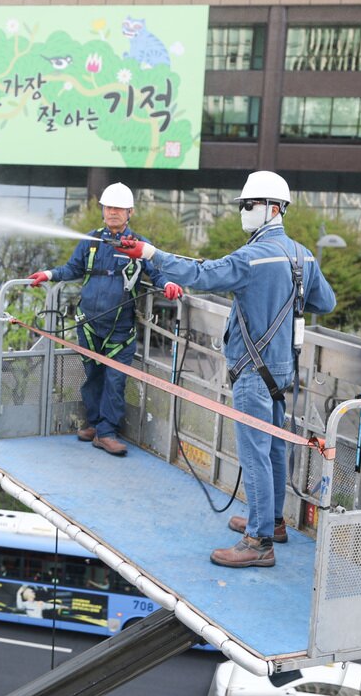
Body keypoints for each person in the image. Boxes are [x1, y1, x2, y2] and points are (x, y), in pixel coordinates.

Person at [117, 171, 335, 568]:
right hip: (282, 370)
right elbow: (326, 302)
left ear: (273, 209)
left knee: (254, 453)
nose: (243, 214)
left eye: (248, 206)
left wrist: (151, 255)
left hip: (253, 371)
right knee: (273, 446)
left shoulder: (251, 259)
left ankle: (258, 543)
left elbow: (201, 275)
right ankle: (273, 522)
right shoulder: (303, 255)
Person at [29, 182, 182, 456]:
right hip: (89, 324)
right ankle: (94, 424)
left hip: (120, 329)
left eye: (119, 208)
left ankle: (107, 432)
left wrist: (168, 284)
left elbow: (157, 274)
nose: (113, 212)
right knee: (92, 377)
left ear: (130, 212)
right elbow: (71, 269)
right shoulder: (91, 242)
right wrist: (48, 275)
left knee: (115, 380)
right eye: (109, 207)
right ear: (103, 210)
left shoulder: (139, 246)